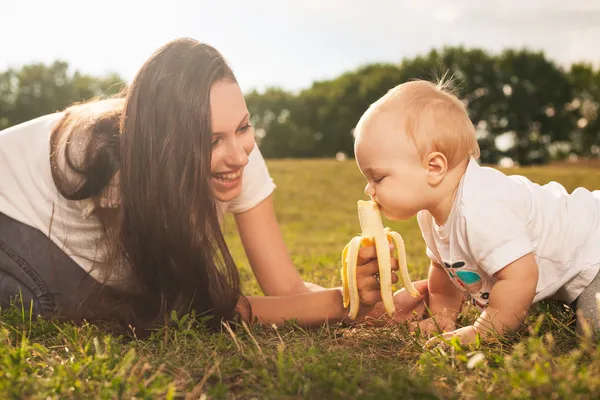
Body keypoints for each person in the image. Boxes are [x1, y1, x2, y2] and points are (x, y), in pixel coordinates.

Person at [0, 37, 427, 334]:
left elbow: (287, 290)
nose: (239, 155)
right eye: (211, 140)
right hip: (12, 216)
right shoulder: (109, 165)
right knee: (82, 309)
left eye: (243, 127)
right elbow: (208, 311)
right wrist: (343, 307)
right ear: (166, 148)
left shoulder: (238, 156)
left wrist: (365, 302)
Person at [352, 78, 600, 344]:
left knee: (593, 328)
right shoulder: (430, 213)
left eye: (377, 178)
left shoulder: (482, 207)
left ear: (434, 168)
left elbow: (521, 276)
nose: (369, 190)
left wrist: (482, 332)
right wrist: (442, 315)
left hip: (592, 247)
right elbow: (443, 270)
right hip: (575, 262)